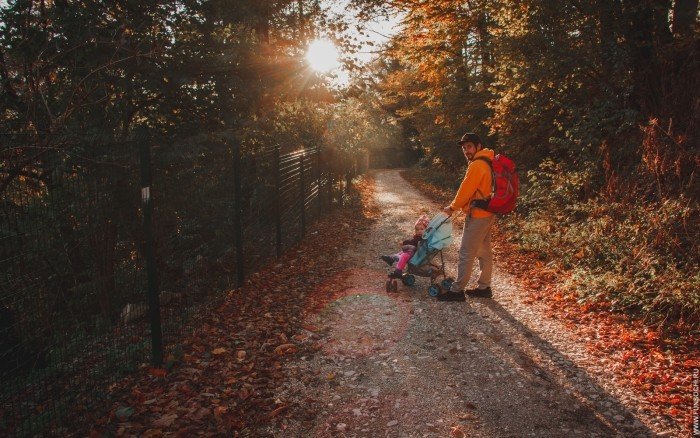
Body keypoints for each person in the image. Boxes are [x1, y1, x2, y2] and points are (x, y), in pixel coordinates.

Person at [438, 132, 496, 301]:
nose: (466, 151)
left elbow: (466, 189)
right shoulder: (488, 160)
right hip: (488, 212)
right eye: (464, 148)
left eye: (469, 146)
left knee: (466, 252)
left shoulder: (477, 164)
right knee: (484, 251)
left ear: (478, 146)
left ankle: (457, 291)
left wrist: (453, 207)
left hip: (478, 215)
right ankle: (484, 287)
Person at [381, 214, 430, 278]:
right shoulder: (417, 237)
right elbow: (413, 242)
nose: (419, 231)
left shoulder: (423, 238)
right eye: (417, 230)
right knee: (403, 252)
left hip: (417, 254)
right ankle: (391, 258)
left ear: (426, 230)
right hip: (414, 251)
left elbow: (413, 243)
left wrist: (404, 243)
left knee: (404, 255)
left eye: (421, 229)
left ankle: (398, 271)